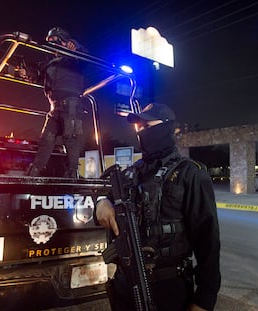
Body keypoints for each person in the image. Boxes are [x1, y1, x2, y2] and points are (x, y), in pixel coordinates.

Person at [95, 103, 221, 311]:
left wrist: (204, 299)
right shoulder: (130, 174)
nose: (140, 131)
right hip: (125, 284)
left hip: (169, 288)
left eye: (146, 125)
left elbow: (208, 240)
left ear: (167, 128)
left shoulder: (190, 173)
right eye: (138, 126)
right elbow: (105, 200)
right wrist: (102, 203)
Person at [26, 27, 85, 177]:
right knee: (46, 140)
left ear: (63, 42)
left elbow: (85, 57)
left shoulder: (73, 58)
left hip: (71, 105)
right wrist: (27, 73)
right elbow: (39, 77)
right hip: (55, 107)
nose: (52, 45)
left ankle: (72, 175)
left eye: (55, 41)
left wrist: (76, 47)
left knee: (71, 139)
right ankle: (33, 173)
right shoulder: (49, 63)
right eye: (50, 42)